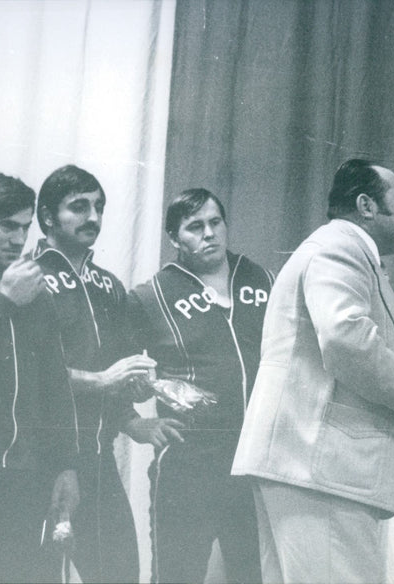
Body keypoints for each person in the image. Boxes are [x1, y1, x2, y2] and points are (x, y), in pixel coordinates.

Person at [230, 159, 394, 583]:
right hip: (315, 469)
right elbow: (345, 340)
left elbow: (327, 339)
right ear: (365, 205)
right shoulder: (341, 246)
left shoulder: (334, 247)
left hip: (299, 463)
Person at [32, 164, 181, 583]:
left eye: (99, 207)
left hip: (98, 461)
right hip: (39, 462)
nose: (93, 218)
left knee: (119, 575)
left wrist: (134, 421)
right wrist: (102, 380)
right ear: (47, 217)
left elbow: (117, 372)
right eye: (78, 207)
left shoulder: (110, 286)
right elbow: (24, 377)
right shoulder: (28, 281)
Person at [128, 189, 274, 583]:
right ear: (175, 239)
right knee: (177, 576)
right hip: (189, 466)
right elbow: (116, 369)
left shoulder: (259, 278)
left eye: (215, 222)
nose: (209, 233)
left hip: (254, 464)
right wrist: (133, 422)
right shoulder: (150, 295)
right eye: (195, 227)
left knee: (252, 576)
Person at [0, 173, 80, 583]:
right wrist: (2, 302)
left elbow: (56, 386)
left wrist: (66, 467)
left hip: (27, 475)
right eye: (7, 225)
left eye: (25, 227)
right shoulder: (13, 292)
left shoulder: (37, 292)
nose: (18, 238)